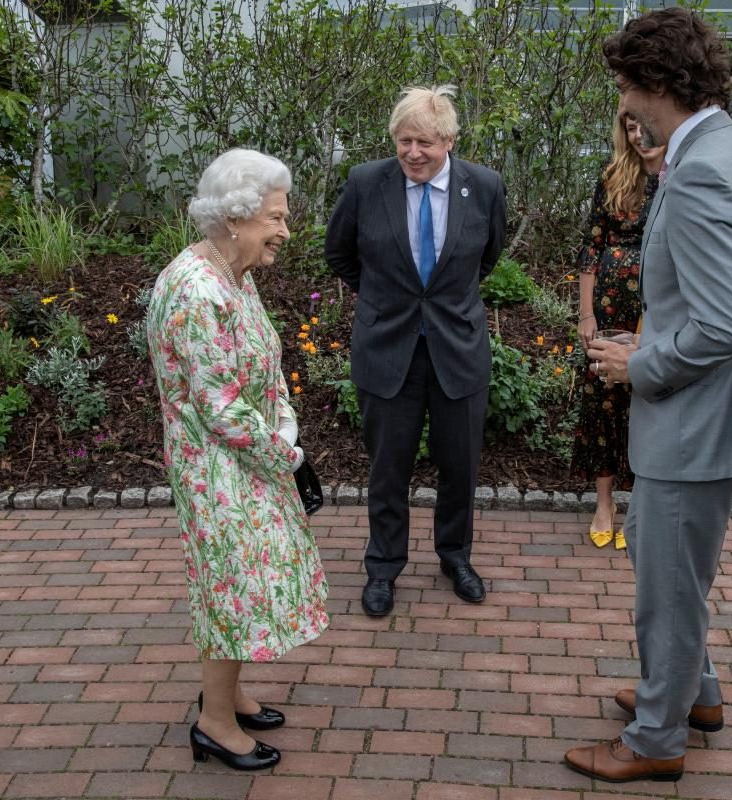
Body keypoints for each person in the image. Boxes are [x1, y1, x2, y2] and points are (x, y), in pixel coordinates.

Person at [567, 7, 732, 783]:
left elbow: (721, 326)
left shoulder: (701, 171)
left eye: (625, 84)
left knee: (666, 589)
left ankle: (656, 741)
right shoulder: (728, 148)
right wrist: (650, 343)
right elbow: (715, 310)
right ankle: (696, 695)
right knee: (681, 577)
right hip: (707, 412)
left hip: (690, 423)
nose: (621, 102)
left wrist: (639, 367)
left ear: (657, 82)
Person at [147, 149, 330, 771]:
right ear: (234, 219)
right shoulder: (198, 291)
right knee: (230, 588)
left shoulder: (235, 275)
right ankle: (214, 723)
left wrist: (283, 424)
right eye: (275, 218)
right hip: (217, 466)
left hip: (248, 457)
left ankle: (230, 694)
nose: (284, 229)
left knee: (241, 583)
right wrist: (291, 453)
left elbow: (263, 365)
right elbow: (221, 407)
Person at [325, 85, 507, 617]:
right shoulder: (365, 183)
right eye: (403, 141)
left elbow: (486, 256)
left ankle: (456, 557)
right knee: (388, 469)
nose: (412, 153)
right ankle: (382, 566)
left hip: (458, 348)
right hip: (387, 349)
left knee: (460, 467)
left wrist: (442, 302)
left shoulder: (486, 187)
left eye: (424, 141)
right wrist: (385, 298)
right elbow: (339, 251)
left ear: (449, 140)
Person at [573, 111, 664, 550]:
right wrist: (586, 314)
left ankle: (639, 504)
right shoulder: (612, 175)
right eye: (630, 127)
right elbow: (591, 247)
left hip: (657, 309)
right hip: (609, 304)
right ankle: (604, 503)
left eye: (644, 125)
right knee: (604, 401)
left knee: (647, 402)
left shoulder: (675, 178)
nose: (638, 134)